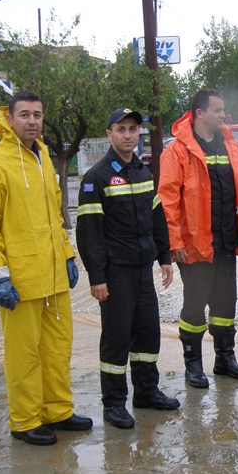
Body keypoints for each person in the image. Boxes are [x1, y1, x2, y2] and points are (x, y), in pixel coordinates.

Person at [0, 91, 92, 446]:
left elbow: (55, 215)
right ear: (9, 119)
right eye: (24, 114)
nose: (32, 121)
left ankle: (57, 410)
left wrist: (67, 254)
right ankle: (24, 420)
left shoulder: (44, 159)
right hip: (20, 281)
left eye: (37, 114)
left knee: (57, 349)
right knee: (23, 355)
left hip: (52, 276)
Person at [76, 108, 180, 429]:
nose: (128, 135)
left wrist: (165, 257)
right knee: (117, 339)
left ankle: (146, 392)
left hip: (142, 270)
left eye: (133, 129)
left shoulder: (143, 172)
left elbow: (156, 218)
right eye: (121, 129)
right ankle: (114, 404)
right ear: (109, 133)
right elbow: (89, 232)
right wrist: (97, 277)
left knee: (148, 334)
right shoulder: (96, 178)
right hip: (115, 273)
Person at [158, 89, 238, 389]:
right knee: (194, 306)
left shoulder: (229, 143)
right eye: (217, 110)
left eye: (223, 110)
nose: (223, 115)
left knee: (225, 304)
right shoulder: (176, 151)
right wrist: (173, 244)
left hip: (227, 240)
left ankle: (225, 359)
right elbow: (167, 202)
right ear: (199, 113)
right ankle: (193, 365)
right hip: (194, 245)